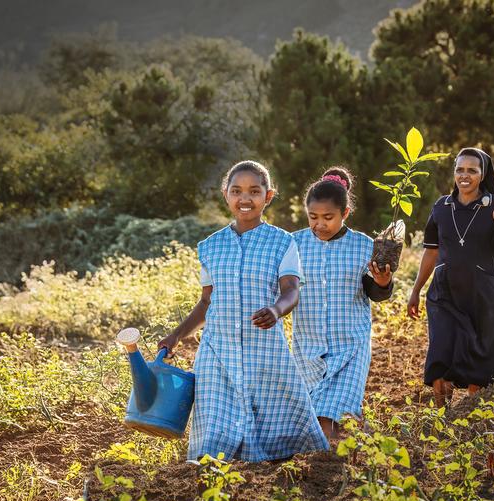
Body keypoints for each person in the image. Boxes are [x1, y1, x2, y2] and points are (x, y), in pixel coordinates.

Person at [157, 160, 328, 462]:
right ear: (226, 195)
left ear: (268, 196)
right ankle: (208, 473)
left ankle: (281, 466)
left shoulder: (282, 242)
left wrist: (276, 310)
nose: (245, 199)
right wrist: (176, 335)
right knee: (213, 425)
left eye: (254, 191)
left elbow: (291, 290)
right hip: (217, 350)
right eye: (236, 191)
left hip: (263, 349)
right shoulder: (210, 246)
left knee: (281, 421)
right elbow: (207, 302)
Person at [407, 147, 494, 408]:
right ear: (454, 172)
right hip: (445, 292)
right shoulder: (441, 207)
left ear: (483, 175)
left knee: (480, 361)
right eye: (460, 169)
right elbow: (431, 252)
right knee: (441, 354)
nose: (465, 175)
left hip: (483, 294)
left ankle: (471, 417)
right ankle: (442, 421)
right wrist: (415, 290)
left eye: (472, 170)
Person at [291, 167, 394, 440]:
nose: (319, 224)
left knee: (326, 425)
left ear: (345, 213)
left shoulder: (364, 246)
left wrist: (383, 281)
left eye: (328, 217)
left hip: (350, 347)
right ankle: (362, 435)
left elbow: (376, 292)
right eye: (313, 217)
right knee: (314, 421)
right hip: (307, 349)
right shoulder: (293, 244)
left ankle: (334, 467)